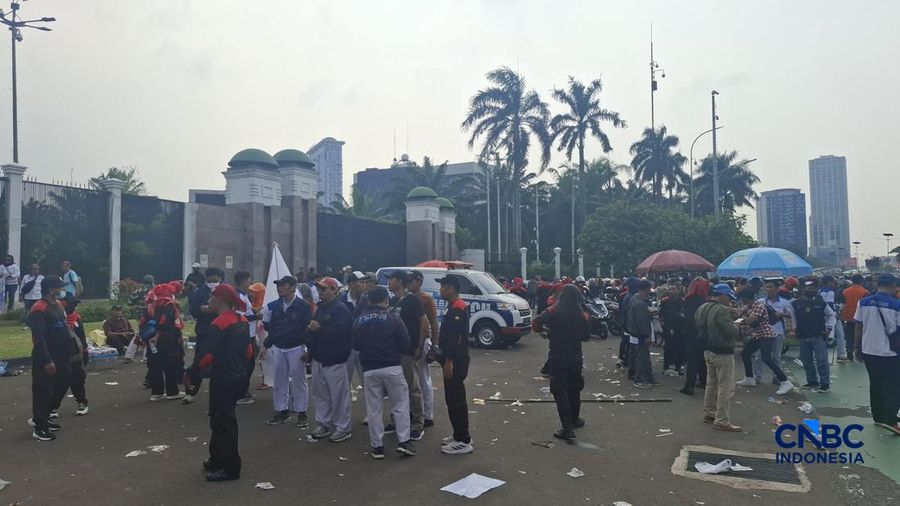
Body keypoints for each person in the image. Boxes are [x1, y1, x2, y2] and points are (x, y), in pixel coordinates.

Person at [185, 283, 253, 482]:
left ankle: (231, 467)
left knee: (223, 422)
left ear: (221, 300)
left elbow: (206, 357)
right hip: (238, 377)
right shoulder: (241, 319)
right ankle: (217, 459)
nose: (208, 301)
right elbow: (249, 352)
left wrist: (191, 373)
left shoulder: (219, 323)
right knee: (220, 419)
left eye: (211, 298)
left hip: (223, 378)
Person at [352, 286, 416, 459]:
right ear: (386, 300)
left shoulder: (359, 319)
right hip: (392, 367)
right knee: (400, 404)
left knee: (374, 409)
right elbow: (406, 341)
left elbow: (356, 345)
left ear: (370, 301)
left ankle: (377, 447)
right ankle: (404, 442)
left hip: (369, 370)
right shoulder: (393, 317)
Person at [532, 284, 590, 440]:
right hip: (575, 357)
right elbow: (586, 337)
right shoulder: (582, 315)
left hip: (558, 356)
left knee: (560, 391)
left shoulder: (553, 311)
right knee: (574, 388)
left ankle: (567, 429)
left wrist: (545, 332)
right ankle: (574, 420)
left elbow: (535, 323)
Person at [306, 276, 353, 443]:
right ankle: (323, 423)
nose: (321, 292)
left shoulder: (341, 309)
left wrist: (321, 329)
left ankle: (343, 427)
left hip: (335, 358)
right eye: (319, 288)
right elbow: (314, 331)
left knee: (339, 395)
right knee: (320, 394)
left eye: (324, 288)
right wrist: (310, 351)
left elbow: (342, 333)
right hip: (319, 357)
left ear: (335, 290)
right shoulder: (320, 308)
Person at [262, 276, 312, 427]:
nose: (279, 288)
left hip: (296, 347)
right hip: (279, 347)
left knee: (299, 381)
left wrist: (308, 349)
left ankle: (302, 413)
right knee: (279, 381)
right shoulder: (276, 306)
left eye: (283, 285)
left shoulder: (303, 306)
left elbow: (309, 328)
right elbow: (273, 329)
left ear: (292, 287)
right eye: (278, 285)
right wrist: (266, 345)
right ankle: (281, 411)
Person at [853, 273, 899, 434]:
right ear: (893, 285)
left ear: (876, 285)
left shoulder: (864, 302)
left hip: (869, 351)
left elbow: (858, 326)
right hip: (891, 353)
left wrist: (856, 347)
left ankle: (878, 417)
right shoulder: (896, 305)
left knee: (876, 384)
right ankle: (890, 419)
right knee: (894, 386)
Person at [436, 274, 474, 455]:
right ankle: (458, 434)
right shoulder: (454, 306)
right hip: (454, 359)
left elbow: (456, 338)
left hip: (456, 361)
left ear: (450, 288)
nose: (440, 290)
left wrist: (449, 361)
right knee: (452, 399)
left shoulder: (457, 307)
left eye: (442, 287)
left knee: (456, 400)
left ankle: (463, 440)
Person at [386, 270, 427, 440]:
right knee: (395, 389)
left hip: (409, 351)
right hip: (393, 352)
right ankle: (397, 420)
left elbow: (424, 323)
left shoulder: (413, 300)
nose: (389, 282)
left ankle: (418, 423)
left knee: (413, 388)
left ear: (401, 282)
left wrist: (419, 346)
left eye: (392, 279)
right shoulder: (392, 301)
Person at [695, 283, 742, 432]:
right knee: (725, 388)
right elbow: (731, 332)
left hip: (707, 350)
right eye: (728, 297)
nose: (729, 300)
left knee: (711, 384)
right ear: (721, 295)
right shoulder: (721, 310)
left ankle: (710, 413)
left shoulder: (702, 308)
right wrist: (736, 325)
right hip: (722, 352)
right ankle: (722, 420)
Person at [27, 276, 69, 441]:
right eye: (59, 287)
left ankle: (45, 415)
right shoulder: (39, 308)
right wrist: (46, 360)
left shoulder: (57, 305)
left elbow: (65, 327)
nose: (61, 290)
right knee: (43, 390)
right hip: (46, 356)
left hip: (62, 354)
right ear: (51, 289)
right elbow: (38, 337)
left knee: (63, 383)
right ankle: (40, 426)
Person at [735, 289, 794, 395]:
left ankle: (785, 382)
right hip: (758, 335)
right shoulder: (748, 306)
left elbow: (750, 321)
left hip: (766, 335)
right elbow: (737, 311)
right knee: (745, 353)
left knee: (766, 358)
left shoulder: (759, 306)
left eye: (742, 298)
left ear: (746, 298)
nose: (741, 301)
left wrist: (740, 318)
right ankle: (749, 378)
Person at [50, 294, 90, 417]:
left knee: (77, 380)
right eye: (71, 304)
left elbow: (82, 339)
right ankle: (53, 407)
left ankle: (82, 403)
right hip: (60, 355)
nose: (73, 307)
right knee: (59, 382)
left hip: (75, 355)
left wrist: (85, 353)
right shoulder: (55, 318)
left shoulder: (76, 319)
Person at [185, 268, 222, 401]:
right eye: (210, 279)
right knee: (199, 361)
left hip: (222, 332)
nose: (212, 282)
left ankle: (220, 393)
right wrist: (201, 309)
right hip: (204, 331)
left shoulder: (225, 290)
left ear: (219, 277)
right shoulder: (201, 292)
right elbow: (193, 309)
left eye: (215, 279)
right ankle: (191, 392)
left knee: (222, 362)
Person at [145, 284, 186, 401]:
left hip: (151, 338)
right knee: (170, 366)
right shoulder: (168, 305)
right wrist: (159, 334)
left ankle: (156, 393)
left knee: (155, 366)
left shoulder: (151, 304)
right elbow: (165, 321)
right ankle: (172, 392)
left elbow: (143, 320)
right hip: (167, 339)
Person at [793, 280, 835, 393]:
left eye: (813, 288)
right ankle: (812, 381)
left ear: (816, 289)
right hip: (802, 335)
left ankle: (825, 384)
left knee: (822, 360)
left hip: (818, 335)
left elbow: (831, 315)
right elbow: (793, 318)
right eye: (808, 288)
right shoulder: (796, 303)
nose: (810, 290)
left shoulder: (821, 302)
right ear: (803, 289)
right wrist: (794, 330)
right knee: (806, 360)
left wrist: (829, 329)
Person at [408, 270, 438, 428]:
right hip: (411, 343)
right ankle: (415, 412)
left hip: (423, 342)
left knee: (423, 379)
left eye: (411, 280)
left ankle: (427, 415)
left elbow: (433, 323)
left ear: (418, 282)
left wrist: (433, 345)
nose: (409, 283)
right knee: (412, 381)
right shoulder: (407, 298)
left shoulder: (425, 299)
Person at [757, 279, 794, 383]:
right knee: (759, 356)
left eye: (770, 287)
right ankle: (757, 377)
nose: (768, 289)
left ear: (777, 289)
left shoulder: (784, 302)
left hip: (778, 332)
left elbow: (791, 315)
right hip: (763, 333)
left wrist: (781, 314)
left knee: (776, 356)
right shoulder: (760, 302)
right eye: (766, 287)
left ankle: (777, 377)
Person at [234, 271, 260, 405]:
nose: (250, 284)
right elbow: (240, 317)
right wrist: (257, 317)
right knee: (246, 365)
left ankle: (244, 390)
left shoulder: (244, 296)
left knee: (249, 364)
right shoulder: (239, 296)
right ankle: (240, 393)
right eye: (249, 281)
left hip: (249, 334)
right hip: (244, 336)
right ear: (243, 281)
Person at [680, 278, 710, 396]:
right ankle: (704, 381)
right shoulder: (705, 301)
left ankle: (689, 386)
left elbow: (687, 319)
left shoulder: (688, 300)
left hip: (691, 333)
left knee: (692, 360)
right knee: (703, 359)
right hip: (703, 334)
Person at [627, 280, 656, 389]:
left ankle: (645, 376)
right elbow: (641, 322)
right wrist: (647, 335)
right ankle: (640, 379)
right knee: (641, 357)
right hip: (640, 335)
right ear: (646, 289)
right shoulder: (639, 303)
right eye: (649, 289)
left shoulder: (634, 299)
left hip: (635, 333)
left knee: (638, 355)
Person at [659, 278, 685, 376]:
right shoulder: (665, 301)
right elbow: (661, 313)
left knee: (679, 347)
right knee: (668, 347)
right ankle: (666, 366)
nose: (671, 291)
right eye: (670, 289)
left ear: (678, 290)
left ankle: (678, 366)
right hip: (668, 326)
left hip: (679, 326)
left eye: (673, 289)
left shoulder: (682, 301)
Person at [820, 275, 848, 362]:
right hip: (832, 316)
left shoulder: (819, 291)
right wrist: (835, 314)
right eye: (832, 282)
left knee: (823, 336)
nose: (834, 283)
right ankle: (841, 355)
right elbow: (830, 304)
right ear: (828, 282)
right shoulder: (830, 292)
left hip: (822, 316)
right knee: (840, 335)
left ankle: (820, 355)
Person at [842, 274, 869, 362]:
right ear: (862, 281)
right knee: (860, 336)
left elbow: (842, 305)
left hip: (848, 317)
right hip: (861, 318)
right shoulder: (865, 292)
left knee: (849, 336)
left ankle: (849, 352)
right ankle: (860, 353)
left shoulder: (845, 291)